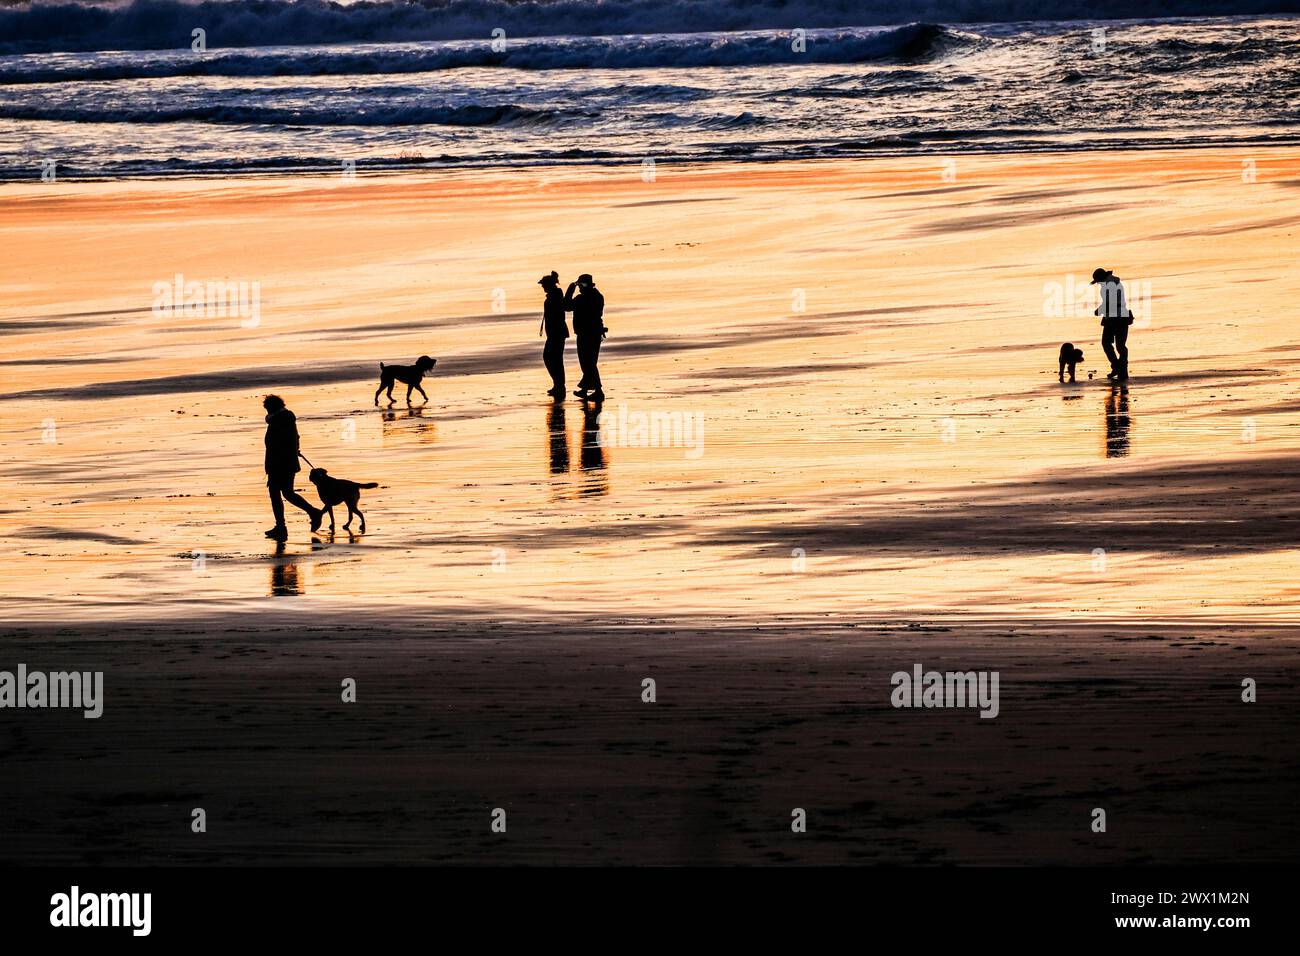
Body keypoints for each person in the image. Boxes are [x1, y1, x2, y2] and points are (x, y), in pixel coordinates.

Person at [262, 394, 323, 540]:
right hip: (285, 462)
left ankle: (282, 527)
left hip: (280, 464)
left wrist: (274, 465)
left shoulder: (279, 421)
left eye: (267, 408)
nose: (266, 412)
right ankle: (310, 513)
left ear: (272, 407)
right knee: (286, 493)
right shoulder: (284, 419)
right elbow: (294, 439)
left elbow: (281, 444)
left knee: (277, 493)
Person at [565, 273, 606, 402]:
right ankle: (585, 389)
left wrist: (570, 290)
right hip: (594, 333)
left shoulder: (581, 299)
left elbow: (566, 306)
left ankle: (598, 391)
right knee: (589, 363)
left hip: (586, 334)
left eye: (581, 285)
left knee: (588, 363)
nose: (580, 288)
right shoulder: (598, 296)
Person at [1091, 267, 1134, 381]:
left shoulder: (1108, 284)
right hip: (1122, 316)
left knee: (1106, 343)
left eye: (1097, 281)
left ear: (1101, 278)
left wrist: (1099, 311)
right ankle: (1122, 371)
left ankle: (1117, 367)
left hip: (1113, 318)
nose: (1098, 284)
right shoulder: (1115, 282)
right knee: (1120, 346)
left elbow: (1110, 303)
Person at [538, 271, 568, 398]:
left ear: (549, 285)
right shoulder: (554, 295)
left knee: (551, 358)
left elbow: (556, 315)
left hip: (557, 333)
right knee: (553, 359)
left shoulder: (555, 296)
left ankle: (559, 386)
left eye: (544, 285)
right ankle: (558, 385)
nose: (542, 287)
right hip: (555, 333)